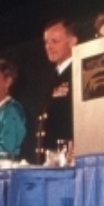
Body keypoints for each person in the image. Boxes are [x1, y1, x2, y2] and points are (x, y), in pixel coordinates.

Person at [28, 19, 77, 162]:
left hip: (69, 159)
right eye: (46, 42)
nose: (48, 47)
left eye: (55, 41)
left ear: (72, 41)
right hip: (52, 159)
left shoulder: (79, 72)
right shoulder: (53, 76)